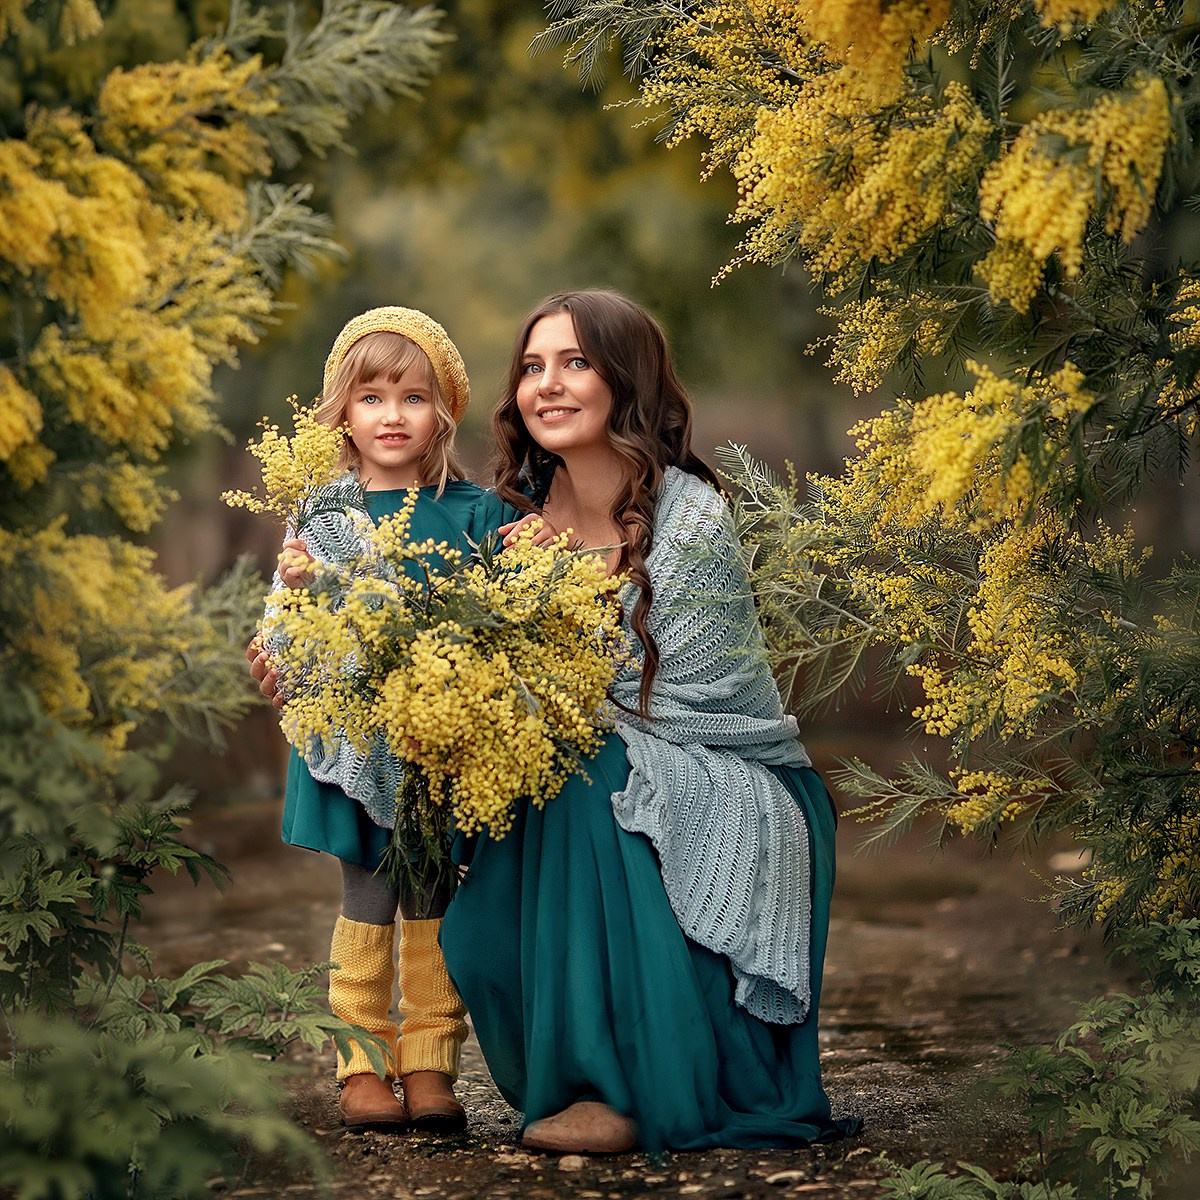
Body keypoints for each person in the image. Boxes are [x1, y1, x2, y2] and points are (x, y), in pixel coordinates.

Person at [438, 289, 860, 1154]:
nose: (545, 385)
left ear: (624, 381)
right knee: (474, 931)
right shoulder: (506, 514)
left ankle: (619, 1085)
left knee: (590, 766)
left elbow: (696, 699)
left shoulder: (689, 517)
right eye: (531, 366)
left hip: (723, 767)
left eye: (574, 362)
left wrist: (558, 624)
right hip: (566, 761)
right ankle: (557, 1069)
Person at [250, 306, 525, 1134]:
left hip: (441, 739)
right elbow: (284, 632)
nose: (393, 415)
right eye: (372, 397)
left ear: (443, 411)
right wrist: (288, 631)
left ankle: (432, 1063)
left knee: (435, 890)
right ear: (343, 411)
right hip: (355, 736)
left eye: (413, 397)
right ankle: (361, 1065)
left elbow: (505, 620)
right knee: (368, 892)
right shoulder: (324, 513)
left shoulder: (477, 511)